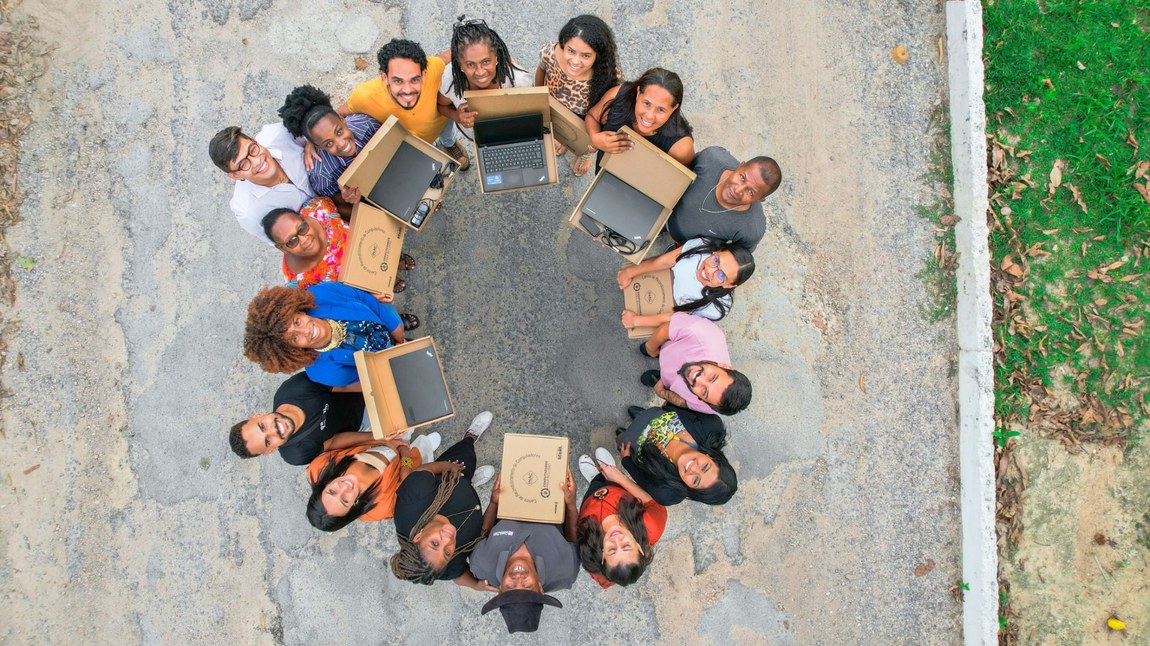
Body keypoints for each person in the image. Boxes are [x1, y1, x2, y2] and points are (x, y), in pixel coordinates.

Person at [390, 411, 499, 590]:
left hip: (451, 477)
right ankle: (470, 483)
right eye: (448, 552)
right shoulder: (442, 566)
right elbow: (458, 575)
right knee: (467, 483)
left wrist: (449, 467)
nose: (447, 541)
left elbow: (425, 470)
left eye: (435, 543)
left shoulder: (411, 501)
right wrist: (477, 585)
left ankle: (470, 436)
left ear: (418, 536)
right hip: (468, 500)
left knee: (465, 454)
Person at [241, 282, 419, 388]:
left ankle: (399, 327)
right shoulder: (323, 373)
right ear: (293, 350)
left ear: (299, 311)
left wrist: (396, 329)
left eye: (297, 322)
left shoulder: (320, 294)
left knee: (389, 314)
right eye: (295, 338)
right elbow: (370, 375)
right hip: (383, 358)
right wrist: (394, 356)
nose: (307, 330)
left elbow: (363, 298)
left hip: (378, 318)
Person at [468, 468, 580, 633]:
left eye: (510, 586)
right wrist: (571, 503)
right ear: (540, 588)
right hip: (551, 491)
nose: (518, 578)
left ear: (499, 590)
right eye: (527, 586)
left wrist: (494, 502)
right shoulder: (565, 571)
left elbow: (483, 533)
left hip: (514, 489)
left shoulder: (481, 564)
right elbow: (572, 538)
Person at [337, 38, 470, 170]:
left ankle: (450, 144)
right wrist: (315, 138)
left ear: (424, 75)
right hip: (410, 144)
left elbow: (451, 53)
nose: (407, 91)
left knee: (448, 133)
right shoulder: (365, 96)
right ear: (385, 78)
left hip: (440, 122)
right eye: (398, 81)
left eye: (414, 80)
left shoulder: (433, 68)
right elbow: (338, 114)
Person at [261, 198, 415, 295]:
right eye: (292, 241)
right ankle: (386, 280)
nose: (304, 239)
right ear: (282, 248)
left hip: (369, 244)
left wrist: (386, 226)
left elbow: (353, 214)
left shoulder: (318, 208)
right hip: (362, 282)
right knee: (382, 283)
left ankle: (393, 263)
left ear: (303, 217)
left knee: (388, 257)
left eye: (302, 228)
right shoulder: (298, 283)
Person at [535, 14, 621, 176]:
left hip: (585, 117)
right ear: (563, 45)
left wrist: (591, 144)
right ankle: (561, 140)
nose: (575, 61)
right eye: (571, 51)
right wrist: (537, 95)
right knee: (560, 129)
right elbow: (541, 70)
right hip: (554, 105)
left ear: (597, 57)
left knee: (585, 143)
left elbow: (602, 118)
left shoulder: (608, 76)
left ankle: (585, 154)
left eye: (586, 55)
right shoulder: (550, 53)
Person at [227, 371, 372, 465]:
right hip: (364, 422)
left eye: (263, 426)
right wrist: (376, 437)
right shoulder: (296, 454)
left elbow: (345, 386)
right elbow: (334, 440)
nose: (274, 430)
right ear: (270, 450)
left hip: (363, 387)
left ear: (258, 415)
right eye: (268, 440)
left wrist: (380, 387)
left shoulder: (295, 389)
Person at [305, 432, 441, 531]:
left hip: (375, 441)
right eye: (345, 500)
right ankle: (424, 445)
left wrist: (378, 438)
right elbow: (407, 481)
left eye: (332, 491)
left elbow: (335, 441)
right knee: (421, 450)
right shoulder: (381, 508)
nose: (344, 488)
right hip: (406, 461)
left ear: (323, 487)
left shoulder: (318, 469)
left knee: (402, 424)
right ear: (352, 507)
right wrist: (405, 452)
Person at [278, 84, 380, 216]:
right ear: (318, 146)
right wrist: (348, 199)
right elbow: (336, 204)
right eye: (328, 143)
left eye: (339, 132)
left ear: (343, 120)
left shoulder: (367, 125)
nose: (341, 144)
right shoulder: (322, 175)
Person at [616, 237, 755, 331]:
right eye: (716, 261)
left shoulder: (716, 308)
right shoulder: (701, 246)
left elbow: (677, 318)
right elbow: (666, 261)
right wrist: (629, 272)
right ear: (716, 251)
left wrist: (636, 321)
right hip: (668, 275)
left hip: (673, 306)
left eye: (721, 275)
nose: (709, 271)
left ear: (729, 285)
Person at [209, 124, 314, 245]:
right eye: (243, 164)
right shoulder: (249, 212)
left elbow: (328, 124)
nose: (257, 161)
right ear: (235, 176)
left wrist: (311, 140)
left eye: (252, 150)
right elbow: (287, 246)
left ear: (255, 140)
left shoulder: (280, 133)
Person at [575, 448, 665, 588]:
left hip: (590, 500)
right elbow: (653, 504)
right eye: (626, 546)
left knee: (595, 485)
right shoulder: (652, 526)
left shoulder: (589, 553)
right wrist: (619, 477)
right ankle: (609, 472)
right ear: (639, 548)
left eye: (612, 550)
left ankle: (595, 478)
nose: (616, 539)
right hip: (619, 489)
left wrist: (570, 502)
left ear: (603, 556)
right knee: (611, 478)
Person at [666, 147, 782, 252]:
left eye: (750, 192)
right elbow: (681, 169)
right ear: (740, 165)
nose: (738, 190)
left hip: (688, 250)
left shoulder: (751, 229)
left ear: (759, 200)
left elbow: (735, 257)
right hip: (664, 209)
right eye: (742, 177)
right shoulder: (711, 159)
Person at [616, 405, 737, 506]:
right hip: (655, 413)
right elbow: (684, 405)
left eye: (696, 480)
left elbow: (641, 478)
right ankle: (640, 415)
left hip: (634, 442)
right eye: (705, 467)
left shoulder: (666, 493)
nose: (693, 468)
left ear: (692, 490)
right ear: (712, 457)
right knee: (644, 416)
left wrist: (626, 460)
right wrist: (667, 403)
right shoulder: (711, 428)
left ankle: (623, 433)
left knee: (621, 438)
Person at [437, 17, 533, 142]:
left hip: (512, 136)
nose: (480, 72)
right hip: (476, 137)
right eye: (470, 64)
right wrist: (455, 116)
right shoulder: (450, 80)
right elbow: (440, 105)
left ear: (497, 57)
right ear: (460, 64)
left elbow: (533, 112)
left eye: (486, 61)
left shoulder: (519, 81)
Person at [638, 312, 752, 416]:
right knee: (648, 347)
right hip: (668, 346)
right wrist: (651, 349)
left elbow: (684, 402)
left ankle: (661, 377)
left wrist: (662, 392)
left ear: (703, 401)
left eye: (704, 392)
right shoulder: (703, 333)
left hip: (668, 377)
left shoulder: (710, 407)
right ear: (725, 367)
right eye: (712, 377)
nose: (698, 379)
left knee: (666, 377)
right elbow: (665, 329)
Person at [586, 67, 695, 172]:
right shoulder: (618, 98)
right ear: (638, 94)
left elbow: (680, 181)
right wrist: (594, 137)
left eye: (661, 110)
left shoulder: (681, 147)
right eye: (646, 103)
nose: (649, 116)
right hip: (603, 176)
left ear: (674, 108)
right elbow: (592, 116)